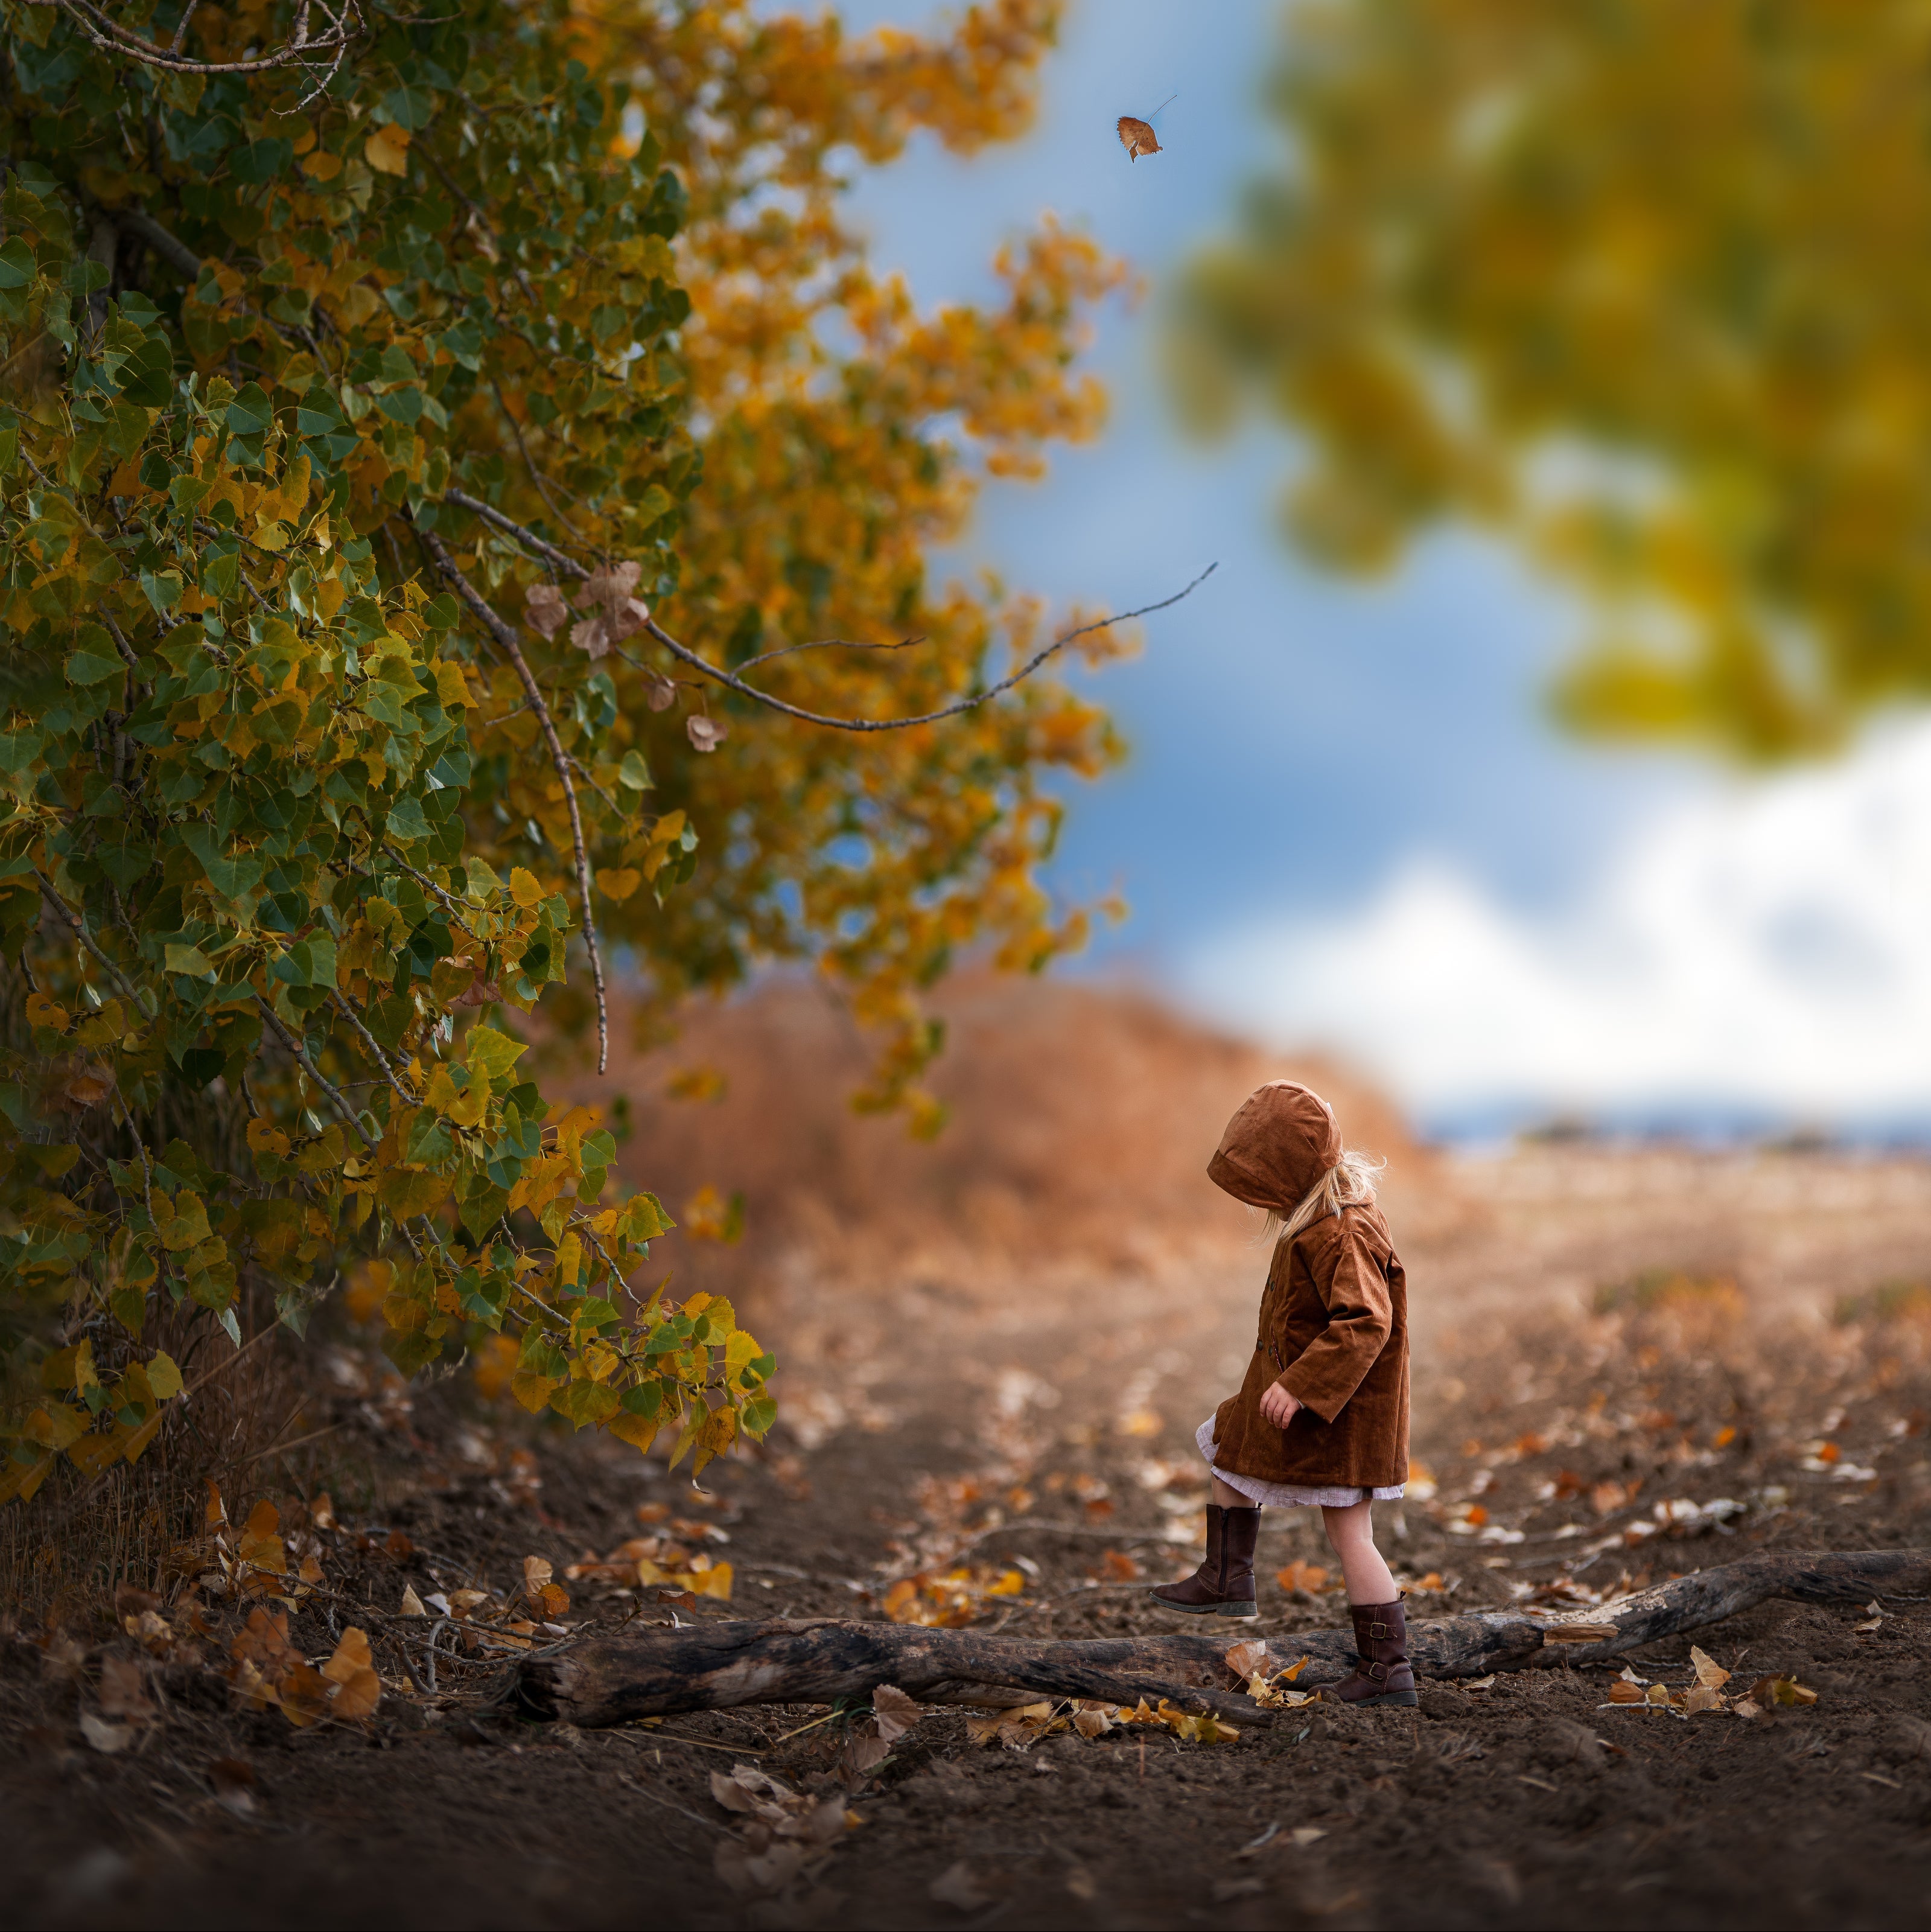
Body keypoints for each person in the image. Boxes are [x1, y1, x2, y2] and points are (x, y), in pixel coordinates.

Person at [1149, 1079, 1416, 1707]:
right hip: (1312, 1406)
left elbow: (1365, 1322)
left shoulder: (1343, 1233)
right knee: (1230, 1442)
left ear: (1289, 1173)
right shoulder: (1318, 1222)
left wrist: (1299, 1385)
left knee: (1351, 1536)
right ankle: (1227, 1577)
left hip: (1342, 1417)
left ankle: (1388, 1669)